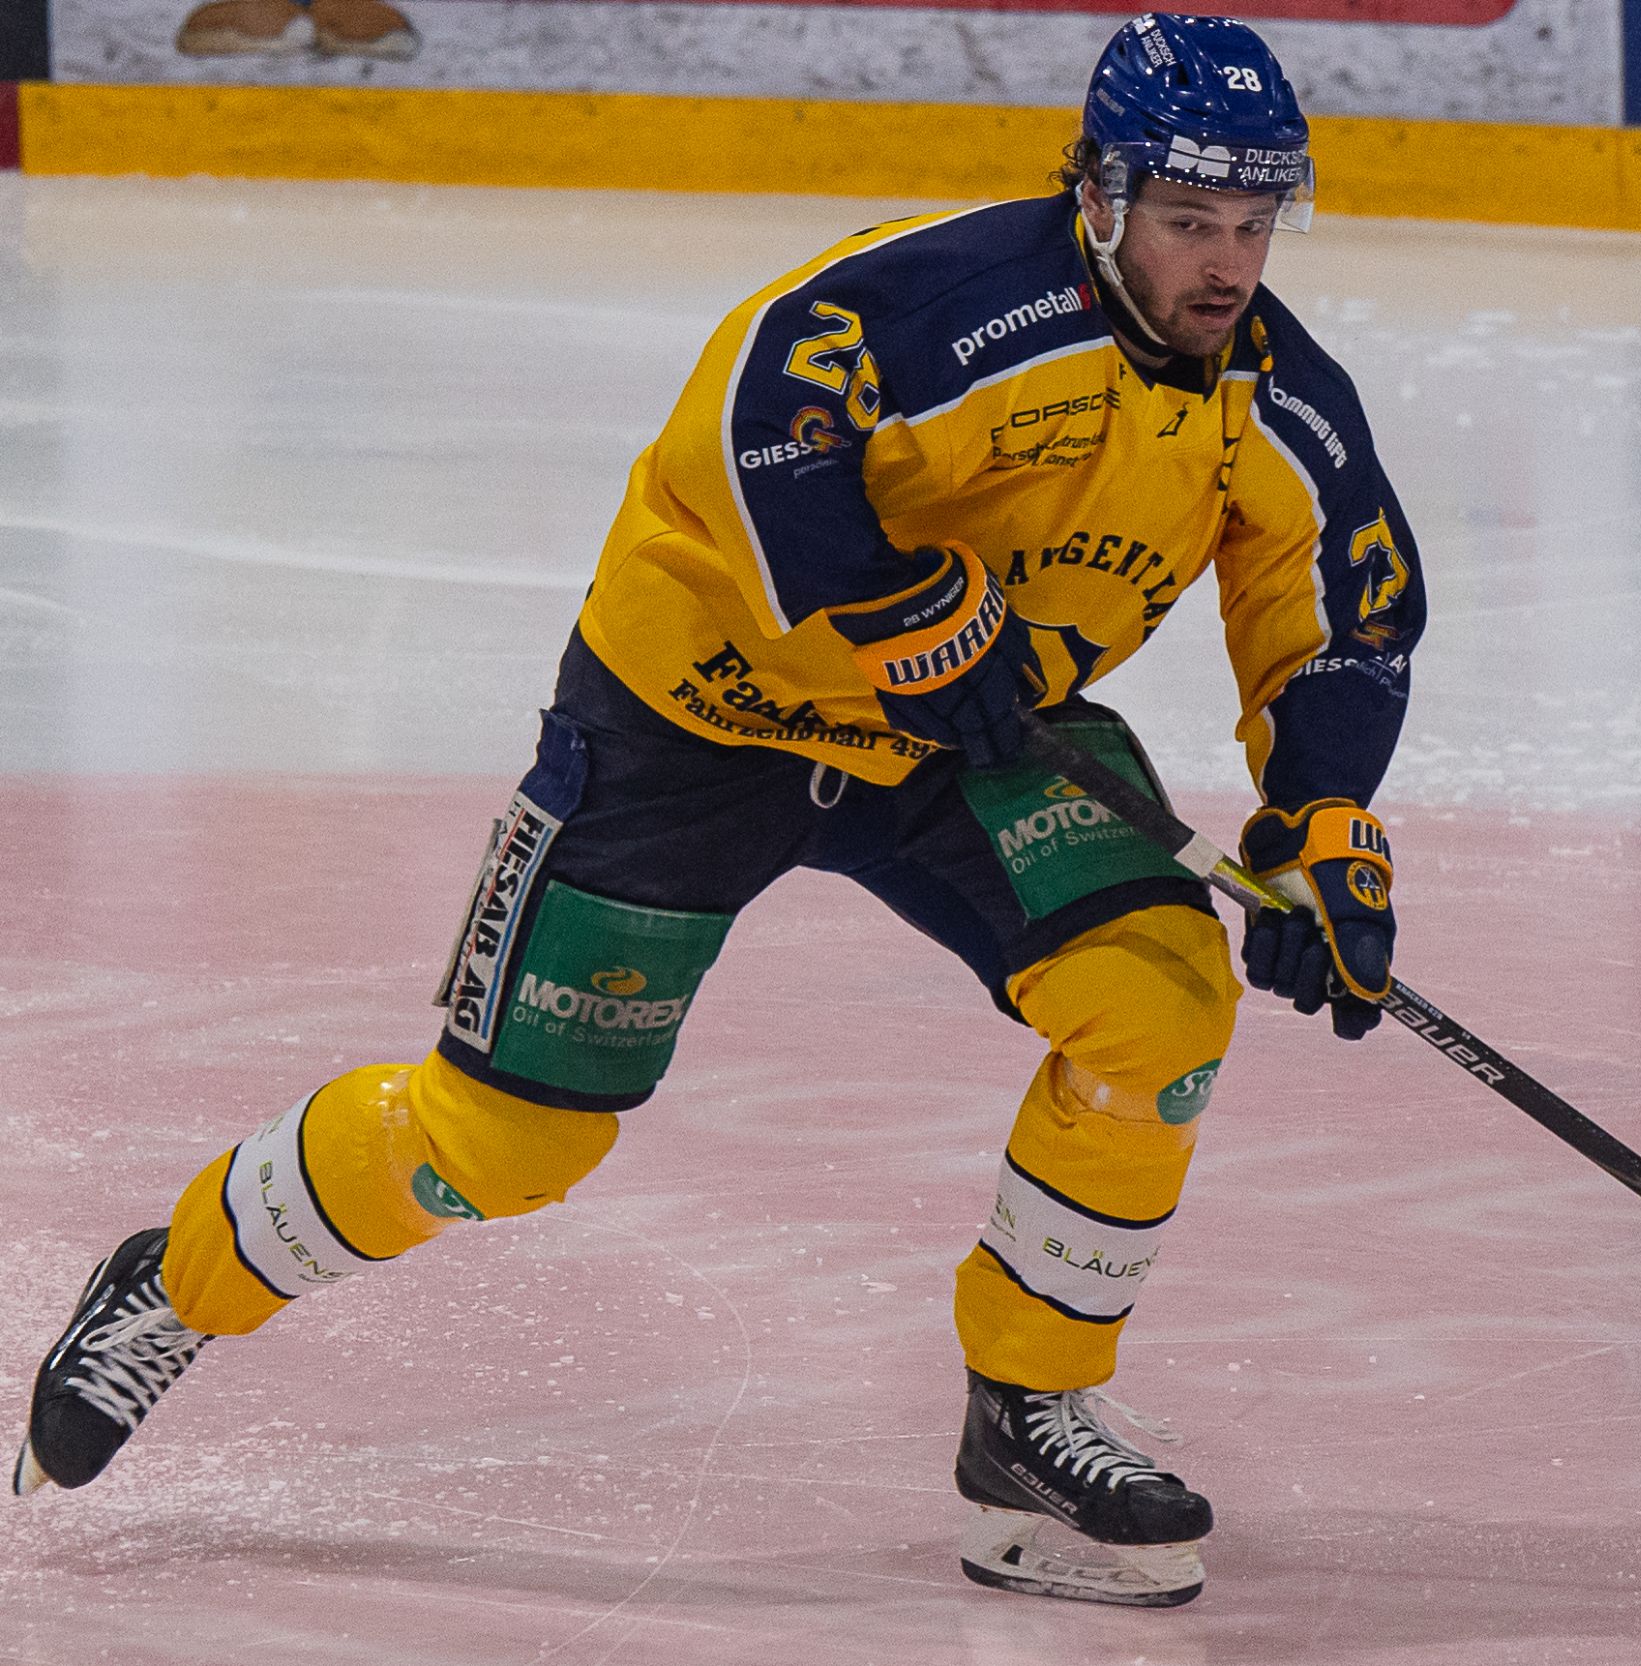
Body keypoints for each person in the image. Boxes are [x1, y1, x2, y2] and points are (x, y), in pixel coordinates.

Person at [13, 11, 1424, 1609]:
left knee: (1160, 995)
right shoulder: (960, 299)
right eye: (1187, 219)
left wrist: (1322, 823)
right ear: (1100, 197)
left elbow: (1342, 616)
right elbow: (757, 421)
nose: (1225, 264)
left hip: (964, 741)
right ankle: (178, 1282)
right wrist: (899, 611)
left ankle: (1027, 1418)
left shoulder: (1281, 400)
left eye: (1251, 224)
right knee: (507, 1141)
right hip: (700, 714)